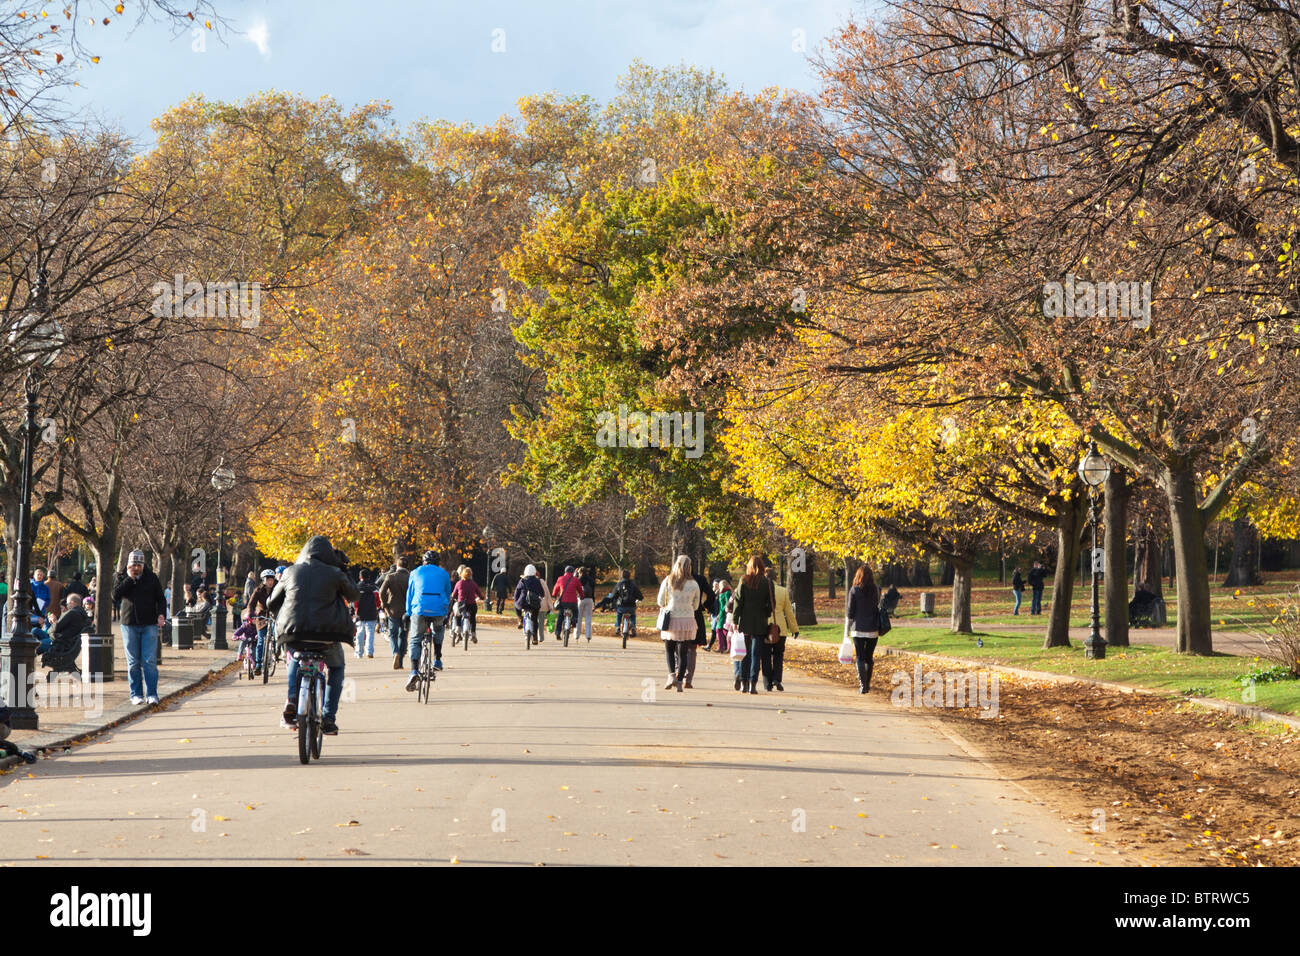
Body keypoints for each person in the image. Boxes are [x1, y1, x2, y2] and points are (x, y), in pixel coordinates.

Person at [269, 536, 359, 735]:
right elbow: (354, 595)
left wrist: (282, 616)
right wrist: (344, 569)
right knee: (336, 668)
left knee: (294, 656)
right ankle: (328, 718)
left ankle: (292, 698)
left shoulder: (290, 571)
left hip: (294, 633)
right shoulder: (335, 573)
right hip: (327, 635)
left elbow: (271, 602)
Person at [112, 550, 168, 706]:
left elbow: (161, 599)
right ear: (128, 565)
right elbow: (114, 596)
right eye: (133, 565)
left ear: (143, 565)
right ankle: (136, 694)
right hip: (129, 624)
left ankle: (152, 694)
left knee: (149, 660)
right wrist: (129, 579)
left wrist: (161, 615)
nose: (136, 568)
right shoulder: (122, 577)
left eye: (138, 565)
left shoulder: (152, 578)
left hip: (149, 623)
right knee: (133, 662)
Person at [404, 550, 451, 691]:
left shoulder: (415, 572)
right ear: (438, 562)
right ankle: (437, 658)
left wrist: (408, 612)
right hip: (438, 609)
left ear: (423, 561)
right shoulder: (444, 574)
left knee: (415, 639)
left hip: (419, 609)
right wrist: (446, 612)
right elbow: (448, 594)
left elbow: (410, 594)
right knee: (438, 630)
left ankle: (413, 671)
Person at [729, 555, 774, 694]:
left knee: (745, 654)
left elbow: (738, 603)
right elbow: (771, 604)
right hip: (760, 622)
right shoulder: (767, 583)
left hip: (745, 622)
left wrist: (735, 621)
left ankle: (744, 682)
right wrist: (765, 614)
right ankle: (753, 684)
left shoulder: (743, 581)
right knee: (756, 655)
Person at [656, 555, 700, 692]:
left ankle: (671, 676)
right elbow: (696, 605)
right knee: (683, 652)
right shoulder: (694, 584)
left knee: (669, 649)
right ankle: (680, 681)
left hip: (672, 618)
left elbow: (660, 600)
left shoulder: (668, 580)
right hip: (687, 620)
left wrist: (666, 605)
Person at [846, 564, 882, 693]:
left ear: (858, 576)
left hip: (858, 629)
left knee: (860, 657)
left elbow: (850, 612)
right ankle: (867, 683)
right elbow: (877, 605)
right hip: (873, 629)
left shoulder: (854, 590)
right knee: (869, 658)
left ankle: (862, 685)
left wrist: (847, 630)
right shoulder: (877, 590)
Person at [763, 566, 799, 692]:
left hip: (765, 628)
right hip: (780, 629)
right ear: (775, 578)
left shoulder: (761, 590)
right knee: (778, 655)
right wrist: (794, 629)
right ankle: (777, 679)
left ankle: (767, 683)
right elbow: (789, 612)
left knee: (766, 656)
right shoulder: (782, 591)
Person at [685, 566, 715, 688]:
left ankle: (678, 672)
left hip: (678, 614)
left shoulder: (676, 579)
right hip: (695, 614)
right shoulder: (699, 579)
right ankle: (689, 678)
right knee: (692, 648)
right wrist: (705, 606)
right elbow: (711, 595)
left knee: (678, 645)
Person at [379, 556, 410, 669]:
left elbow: (381, 591)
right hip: (407, 610)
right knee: (403, 635)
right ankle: (400, 661)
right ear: (407, 566)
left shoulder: (391, 577)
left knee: (393, 634)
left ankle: (395, 652)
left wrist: (384, 604)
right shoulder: (411, 577)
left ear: (397, 565)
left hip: (392, 610)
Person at [43, 594, 89, 672]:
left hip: (60, 644)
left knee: (36, 643)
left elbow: (56, 628)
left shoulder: (72, 613)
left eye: (67, 604)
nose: (67, 606)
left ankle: (25, 668)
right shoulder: (82, 614)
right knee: (36, 632)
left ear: (72, 603)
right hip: (66, 643)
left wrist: (53, 622)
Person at [244, 568, 277, 673]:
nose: (270, 582)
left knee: (276, 635)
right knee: (261, 640)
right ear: (263, 580)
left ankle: (276, 652)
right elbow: (251, 604)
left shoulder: (278, 588)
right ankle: (258, 664)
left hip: (275, 615)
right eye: (268, 580)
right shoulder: (258, 590)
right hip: (262, 617)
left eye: (271, 579)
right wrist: (249, 613)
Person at [353, 568, 381, 659]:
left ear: (360, 577)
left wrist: (355, 611)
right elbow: (378, 601)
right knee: (370, 633)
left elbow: (354, 602)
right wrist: (377, 608)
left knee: (360, 633)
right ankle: (369, 651)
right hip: (372, 612)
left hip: (360, 613)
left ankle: (359, 653)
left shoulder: (357, 587)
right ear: (369, 577)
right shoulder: (374, 588)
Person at [513, 564, 546, 642]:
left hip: (523, 602)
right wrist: (541, 596)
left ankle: (520, 619)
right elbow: (542, 593)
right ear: (534, 572)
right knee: (534, 619)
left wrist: (516, 599)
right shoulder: (537, 581)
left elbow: (517, 592)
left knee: (516, 605)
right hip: (534, 604)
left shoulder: (522, 580)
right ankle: (535, 638)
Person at [551, 565, 584, 641]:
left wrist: (554, 596)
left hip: (563, 602)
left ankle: (558, 633)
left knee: (560, 616)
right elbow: (580, 590)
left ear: (565, 572)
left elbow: (555, 589)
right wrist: (582, 596)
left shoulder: (560, 579)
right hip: (573, 602)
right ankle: (574, 620)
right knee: (576, 611)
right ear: (572, 572)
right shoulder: (576, 580)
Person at [450, 566, 483, 644]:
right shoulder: (473, 584)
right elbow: (479, 594)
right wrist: (482, 597)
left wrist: (454, 597)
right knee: (472, 618)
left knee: (458, 614)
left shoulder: (459, 583)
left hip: (461, 604)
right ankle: (473, 633)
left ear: (462, 574)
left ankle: (458, 627)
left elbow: (454, 594)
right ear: (471, 574)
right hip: (472, 604)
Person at [612, 570, 642, 637]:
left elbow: (614, 595)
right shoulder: (633, 585)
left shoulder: (619, 584)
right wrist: (640, 598)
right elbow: (639, 595)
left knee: (619, 614)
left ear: (622, 576)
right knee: (633, 615)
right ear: (629, 576)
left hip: (621, 606)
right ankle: (633, 626)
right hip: (631, 606)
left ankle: (617, 627)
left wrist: (614, 600)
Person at [576, 565, 597, 642]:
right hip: (589, 599)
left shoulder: (578, 580)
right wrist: (594, 602)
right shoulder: (591, 580)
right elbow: (593, 592)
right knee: (588, 619)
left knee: (579, 618)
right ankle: (588, 636)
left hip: (580, 599)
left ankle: (577, 635)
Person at [712, 577, 732, 653]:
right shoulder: (722, 592)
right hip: (720, 613)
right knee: (722, 630)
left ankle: (724, 647)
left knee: (721, 629)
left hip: (724, 614)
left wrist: (722, 612)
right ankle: (724, 646)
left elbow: (727, 604)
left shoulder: (727, 592)